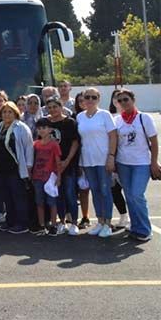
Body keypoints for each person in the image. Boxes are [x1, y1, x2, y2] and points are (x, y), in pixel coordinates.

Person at [112, 89, 159, 242]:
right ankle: (136, 227)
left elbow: (154, 142)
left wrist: (154, 162)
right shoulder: (118, 120)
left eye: (126, 99)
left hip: (141, 163)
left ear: (133, 99)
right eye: (120, 101)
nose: (123, 103)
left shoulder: (143, 118)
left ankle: (145, 229)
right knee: (130, 196)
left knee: (137, 195)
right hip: (123, 163)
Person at [76, 87, 117, 238]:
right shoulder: (80, 117)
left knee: (105, 191)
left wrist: (111, 156)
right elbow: (80, 141)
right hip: (88, 161)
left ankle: (107, 223)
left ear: (98, 99)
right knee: (95, 191)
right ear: (83, 100)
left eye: (94, 97)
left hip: (103, 160)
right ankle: (99, 221)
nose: (90, 100)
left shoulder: (104, 115)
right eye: (87, 97)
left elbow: (113, 136)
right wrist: (80, 162)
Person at [0, 101, 34, 234]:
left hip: (16, 169)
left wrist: (29, 166)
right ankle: (10, 221)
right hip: (1, 169)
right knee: (6, 196)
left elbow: (29, 148)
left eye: (10, 112)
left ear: (15, 113)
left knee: (18, 196)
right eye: (4, 112)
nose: (7, 114)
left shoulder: (21, 128)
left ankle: (22, 223)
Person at [45, 97, 81, 236]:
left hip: (68, 164)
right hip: (53, 166)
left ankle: (74, 223)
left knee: (70, 194)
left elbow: (75, 143)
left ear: (61, 107)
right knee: (58, 194)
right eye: (50, 107)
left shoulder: (69, 122)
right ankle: (62, 222)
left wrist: (67, 160)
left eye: (55, 107)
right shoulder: (46, 123)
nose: (53, 110)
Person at [31, 119, 61, 236]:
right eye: (39, 128)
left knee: (51, 202)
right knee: (39, 202)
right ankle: (42, 225)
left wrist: (59, 177)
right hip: (37, 176)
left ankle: (53, 225)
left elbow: (58, 162)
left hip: (50, 178)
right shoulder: (36, 144)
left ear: (50, 129)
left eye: (44, 128)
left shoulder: (54, 144)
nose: (41, 130)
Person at [106, 88, 130, 229]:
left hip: (129, 160)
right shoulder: (109, 116)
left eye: (122, 98)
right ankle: (123, 216)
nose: (119, 101)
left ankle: (134, 218)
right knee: (114, 190)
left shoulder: (134, 116)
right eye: (116, 98)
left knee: (130, 191)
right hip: (114, 159)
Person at [72, 92, 92, 228]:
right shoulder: (75, 119)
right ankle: (81, 218)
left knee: (97, 191)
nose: (83, 103)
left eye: (85, 100)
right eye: (80, 101)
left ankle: (101, 219)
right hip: (79, 159)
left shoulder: (100, 116)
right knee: (81, 189)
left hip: (96, 158)